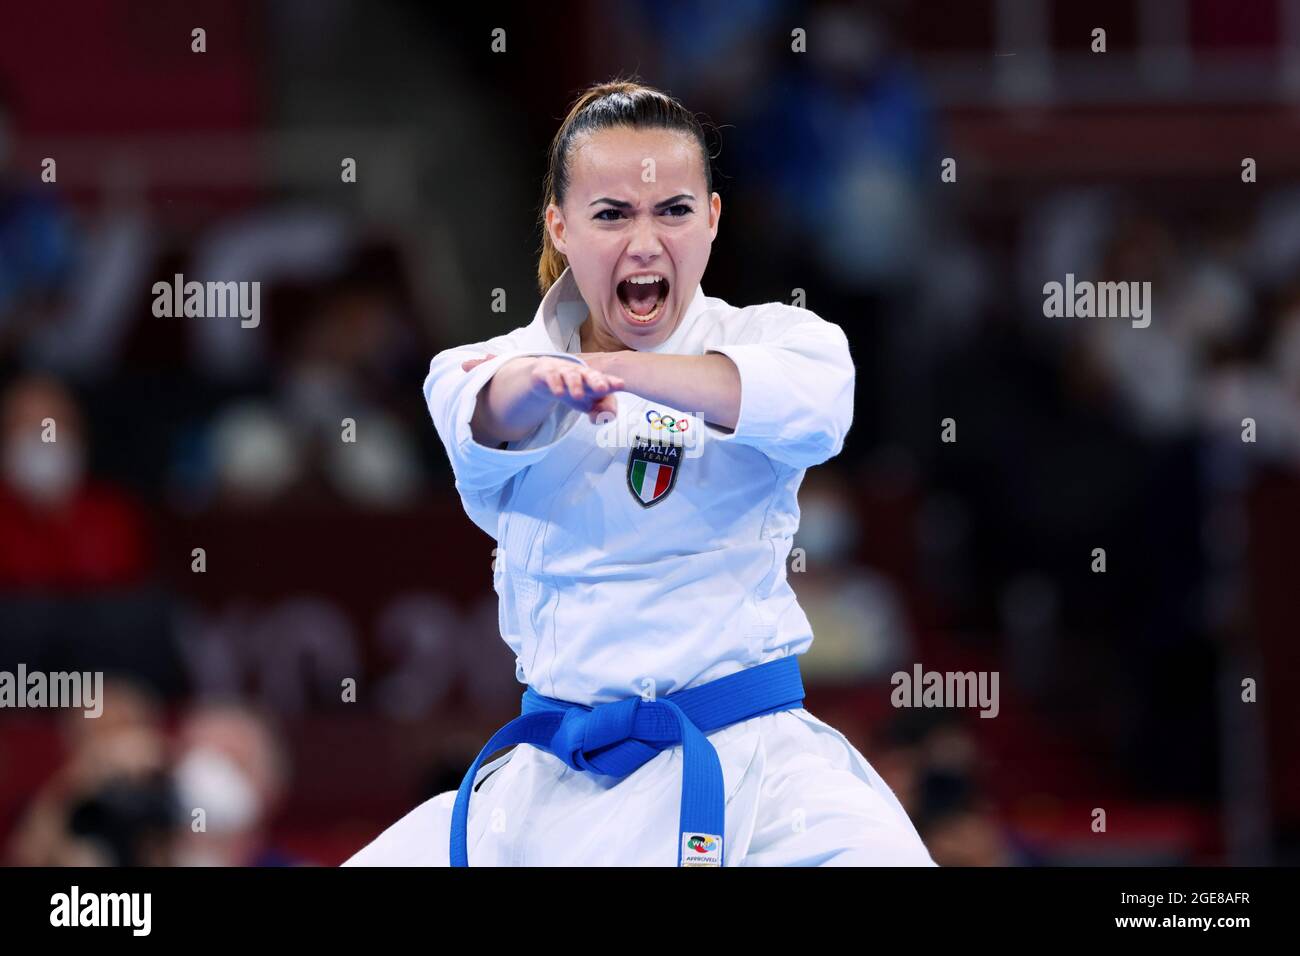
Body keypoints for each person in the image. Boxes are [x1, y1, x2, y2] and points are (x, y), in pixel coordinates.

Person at [344, 79, 933, 866]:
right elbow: (489, 411)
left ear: (714, 219)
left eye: (674, 210)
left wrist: (623, 371)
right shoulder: (482, 367)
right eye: (612, 214)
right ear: (560, 224)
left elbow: (818, 410)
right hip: (556, 784)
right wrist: (547, 380)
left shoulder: (787, 340)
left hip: (757, 775)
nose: (646, 241)